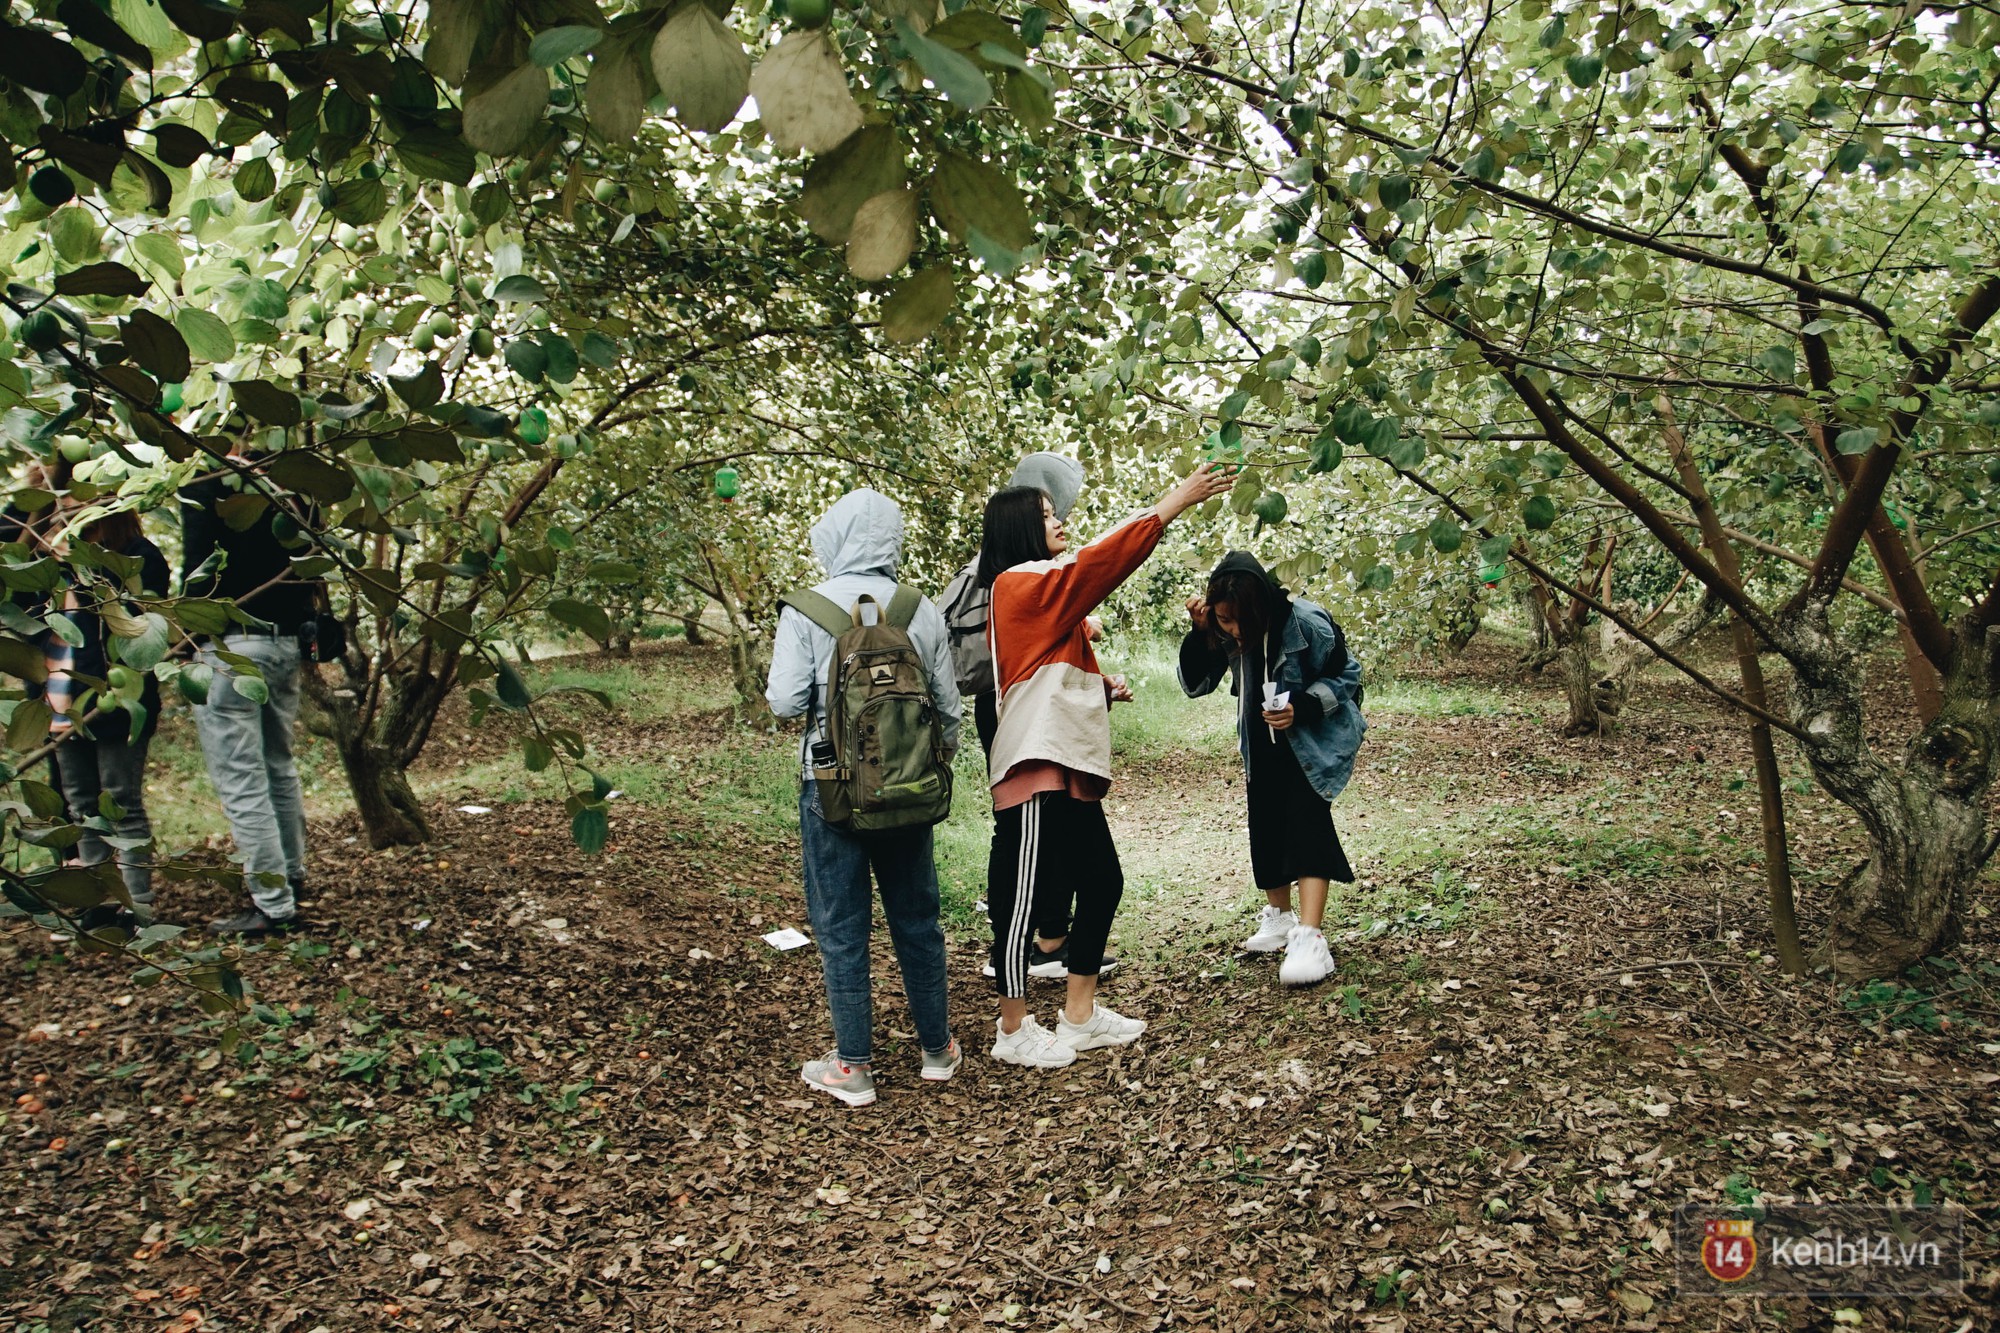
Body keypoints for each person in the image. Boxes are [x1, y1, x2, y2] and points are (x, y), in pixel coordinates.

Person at [981, 460, 1235, 1067]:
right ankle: (1012, 1030)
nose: (1058, 522)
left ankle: (1079, 1016)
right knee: (1022, 900)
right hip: (1036, 765)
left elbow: (1043, 676)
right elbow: (1098, 564)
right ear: (1020, 529)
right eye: (1046, 516)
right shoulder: (1016, 584)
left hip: (1066, 762)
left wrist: (1100, 688)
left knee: (1102, 880)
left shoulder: (1043, 595)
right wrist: (1175, 500)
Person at [766, 488, 964, 1107]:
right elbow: (948, 709)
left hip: (831, 790)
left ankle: (854, 1067)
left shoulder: (806, 609)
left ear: (835, 535)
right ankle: (937, 1050)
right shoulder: (918, 608)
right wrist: (925, 764)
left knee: (842, 926)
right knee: (918, 920)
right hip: (908, 787)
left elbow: (784, 702)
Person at [940, 452, 1113, 982]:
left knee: (1044, 829)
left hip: (1017, 698)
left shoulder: (997, 564)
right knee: (1019, 833)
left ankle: (1049, 939)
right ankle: (1012, 956)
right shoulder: (1007, 569)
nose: (1060, 518)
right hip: (1010, 705)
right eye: (1049, 510)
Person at [1179, 552, 1366, 986]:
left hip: (1309, 744)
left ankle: (1310, 937)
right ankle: (1280, 917)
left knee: (1308, 827)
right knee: (1266, 829)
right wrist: (1202, 630)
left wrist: (1303, 706)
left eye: (1241, 620)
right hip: (1259, 743)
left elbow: (1349, 674)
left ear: (1262, 604)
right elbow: (1196, 684)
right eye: (1225, 620)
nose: (1236, 630)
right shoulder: (1222, 625)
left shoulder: (1307, 622)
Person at [180, 462, 318, 935]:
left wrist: (187, 633)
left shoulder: (206, 483)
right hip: (284, 641)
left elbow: (198, 568)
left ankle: (274, 903)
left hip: (232, 646)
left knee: (242, 778)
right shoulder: (294, 476)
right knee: (278, 764)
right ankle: (290, 876)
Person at [52, 508, 172, 918]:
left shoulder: (139, 556)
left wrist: (83, 566)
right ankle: (97, 904)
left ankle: (137, 906)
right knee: (83, 806)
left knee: (121, 802)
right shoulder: (49, 561)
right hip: (60, 698)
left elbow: (138, 622)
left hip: (118, 699)